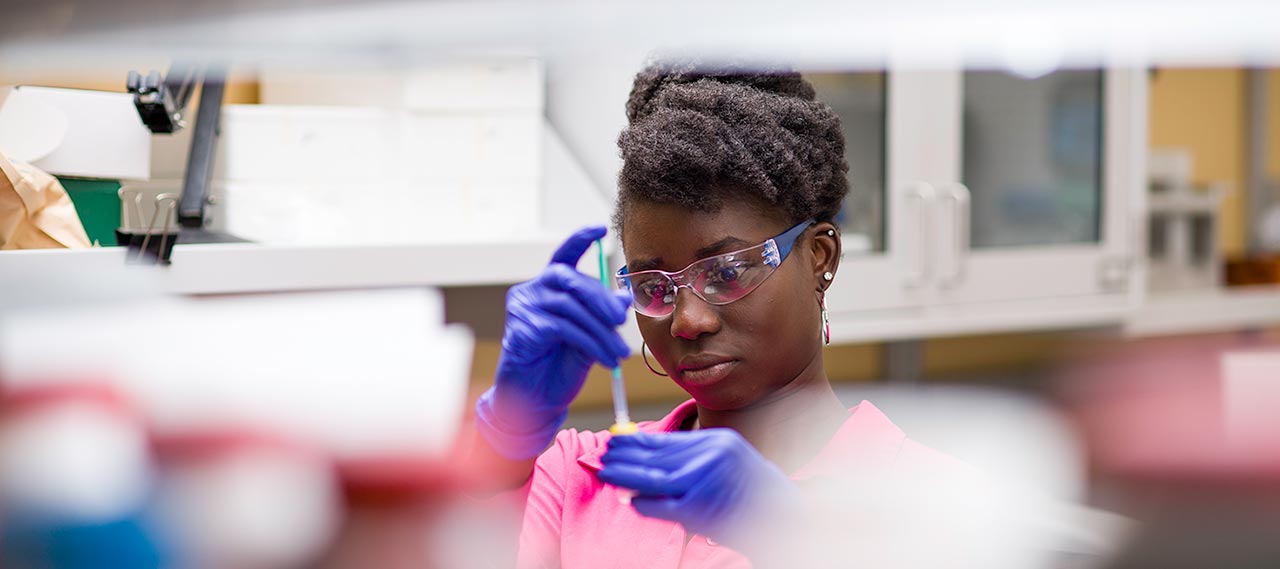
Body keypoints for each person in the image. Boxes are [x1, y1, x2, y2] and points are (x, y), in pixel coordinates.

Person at [468, 61, 962, 569]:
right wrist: (508, 435)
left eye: (726, 272)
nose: (687, 320)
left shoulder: (933, 498)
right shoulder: (584, 475)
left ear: (819, 258)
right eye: (654, 286)